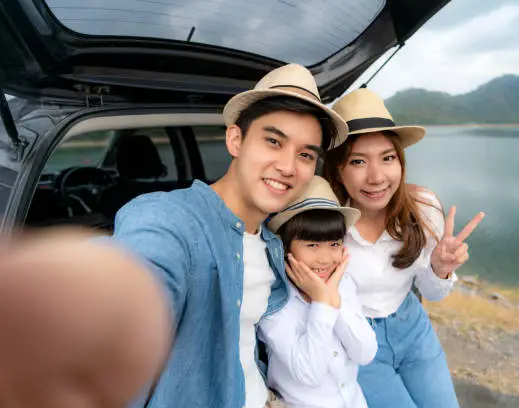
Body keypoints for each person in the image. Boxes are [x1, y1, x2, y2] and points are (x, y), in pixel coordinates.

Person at [0, 63, 348, 408]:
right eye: (273, 141)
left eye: (305, 155)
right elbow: (132, 296)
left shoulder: (273, 243)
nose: (288, 166)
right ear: (235, 140)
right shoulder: (166, 218)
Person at [322, 88, 485, 408]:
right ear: (338, 169)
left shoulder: (423, 208)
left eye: (388, 158)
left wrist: (440, 268)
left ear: (401, 161)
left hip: (413, 329)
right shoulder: (325, 225)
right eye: (358, 161)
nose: (377, 177)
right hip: (357, 342)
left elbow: (434, 293)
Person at [258, 176, 377, 408]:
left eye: (334, 244)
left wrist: (332, 296)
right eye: (312, 245)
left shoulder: (343, 284)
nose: (325, 259)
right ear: (285, 245)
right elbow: (309, 374)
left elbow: (365, 353)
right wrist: (322, 303)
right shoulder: (274, 303)